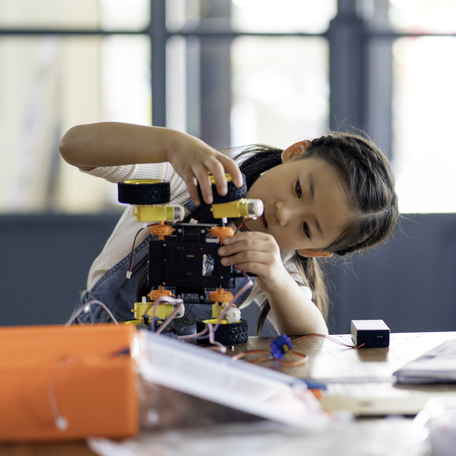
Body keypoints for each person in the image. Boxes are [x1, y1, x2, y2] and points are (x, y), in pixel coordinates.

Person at [59, 122, 399, 336]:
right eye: (298, 189)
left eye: (307, 228)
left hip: (180, 371)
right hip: (97, 343)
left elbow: (314, 333)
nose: (284, 213)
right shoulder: (190, 179)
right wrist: (171, 145)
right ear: (295, 153)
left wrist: (277, 279)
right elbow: (72, 146)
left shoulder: (279, 258)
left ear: (314, 251)